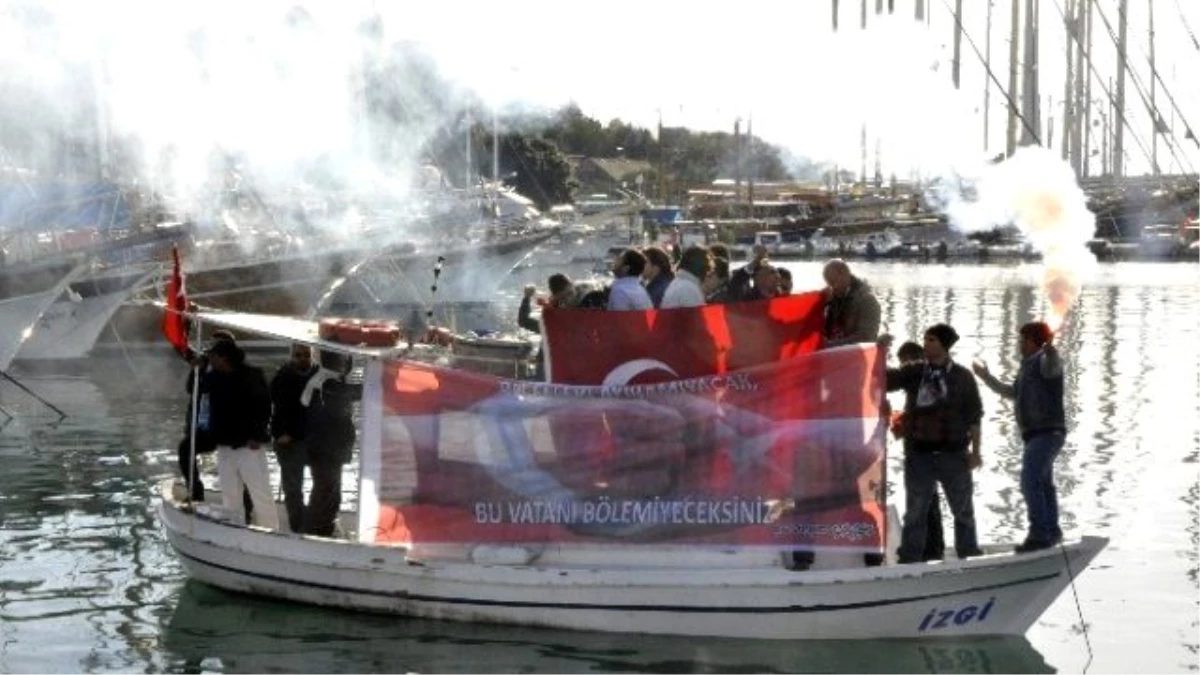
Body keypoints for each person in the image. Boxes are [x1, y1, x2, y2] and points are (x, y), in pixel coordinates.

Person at [885, 324, 983, 564]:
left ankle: (968, 553)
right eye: (925, 340)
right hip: (919, 454)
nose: (926, 344)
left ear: (944, 345)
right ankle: (910, 558)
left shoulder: (962, 376)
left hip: (955, 454)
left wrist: (976, 452)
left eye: (931, 340)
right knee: (916, 512)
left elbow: (974, 416)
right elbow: (886, 380)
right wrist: (879, 352)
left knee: (963, 510)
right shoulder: (915, 372)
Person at [973, 321, 1066, 553]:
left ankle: (1039, 534)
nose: (1019, 344)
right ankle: (1051, 530)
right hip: (1037, 435)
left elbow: (1053, 367)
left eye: (1023, 340)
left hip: (1047, 432)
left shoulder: (1044, 361)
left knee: (1029, 480)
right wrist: (985, 376)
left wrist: (1051, 350)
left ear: (1036, 342)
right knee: (1043, 483)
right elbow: (1011, 392)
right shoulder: (1026, 367)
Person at [206, 339, 279, 529]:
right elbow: (194, 387)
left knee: (260, 491)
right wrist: (195, 368)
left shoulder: (253, 375)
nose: (210, 360)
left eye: (212, 356)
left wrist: (257, 435)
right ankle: (234, 529)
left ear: (223, 358)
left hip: (249, 445)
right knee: (230, 494)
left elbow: (264, 408)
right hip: (224, 445)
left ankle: (271, 530)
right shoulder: (213, 377)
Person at [891, 340, 946, 561]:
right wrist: (900, 421)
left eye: (903, 362)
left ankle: (914, 552)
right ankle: (933, 548)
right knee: (929, 500)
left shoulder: (920, 374)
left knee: (919, 501)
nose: (903, 367)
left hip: (922, 451)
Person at [300, 350, 362, 537]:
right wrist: (381, 380)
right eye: (344, 359)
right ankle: (314, 532)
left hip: (327, 450)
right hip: (324, 451)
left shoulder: (325, 378)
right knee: (325, 492)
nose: (346, 363)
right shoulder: (326, 383)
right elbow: (355, 392)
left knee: (329, 492)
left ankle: (323, 528)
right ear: (336, 360)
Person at [270, 343, 318, 533]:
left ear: (312, 356)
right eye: (298, 355)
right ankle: (298, 527)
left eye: (306, 355)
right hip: (288, 441)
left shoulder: (319, 378)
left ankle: (314, 521)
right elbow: (275, 409)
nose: (302, 358)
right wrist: (279, 434)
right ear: (291, 356)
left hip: (314, 439)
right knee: (293, 488)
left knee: (321, 484)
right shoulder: (281, 378)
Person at [822, 259, 881, 347]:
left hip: (854, 356)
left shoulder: (867, 300)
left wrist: (830, 345)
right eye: (828, 283)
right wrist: (821, 304)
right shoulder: (832, 299)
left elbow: (866, 338)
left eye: (833, 282)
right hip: (833, 353)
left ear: (845, 275)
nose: (832, 287)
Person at [661, 245, 712, 309]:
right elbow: (696, 318)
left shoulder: (679, 283)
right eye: (706, 265)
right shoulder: (689, 289)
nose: (708, 270)